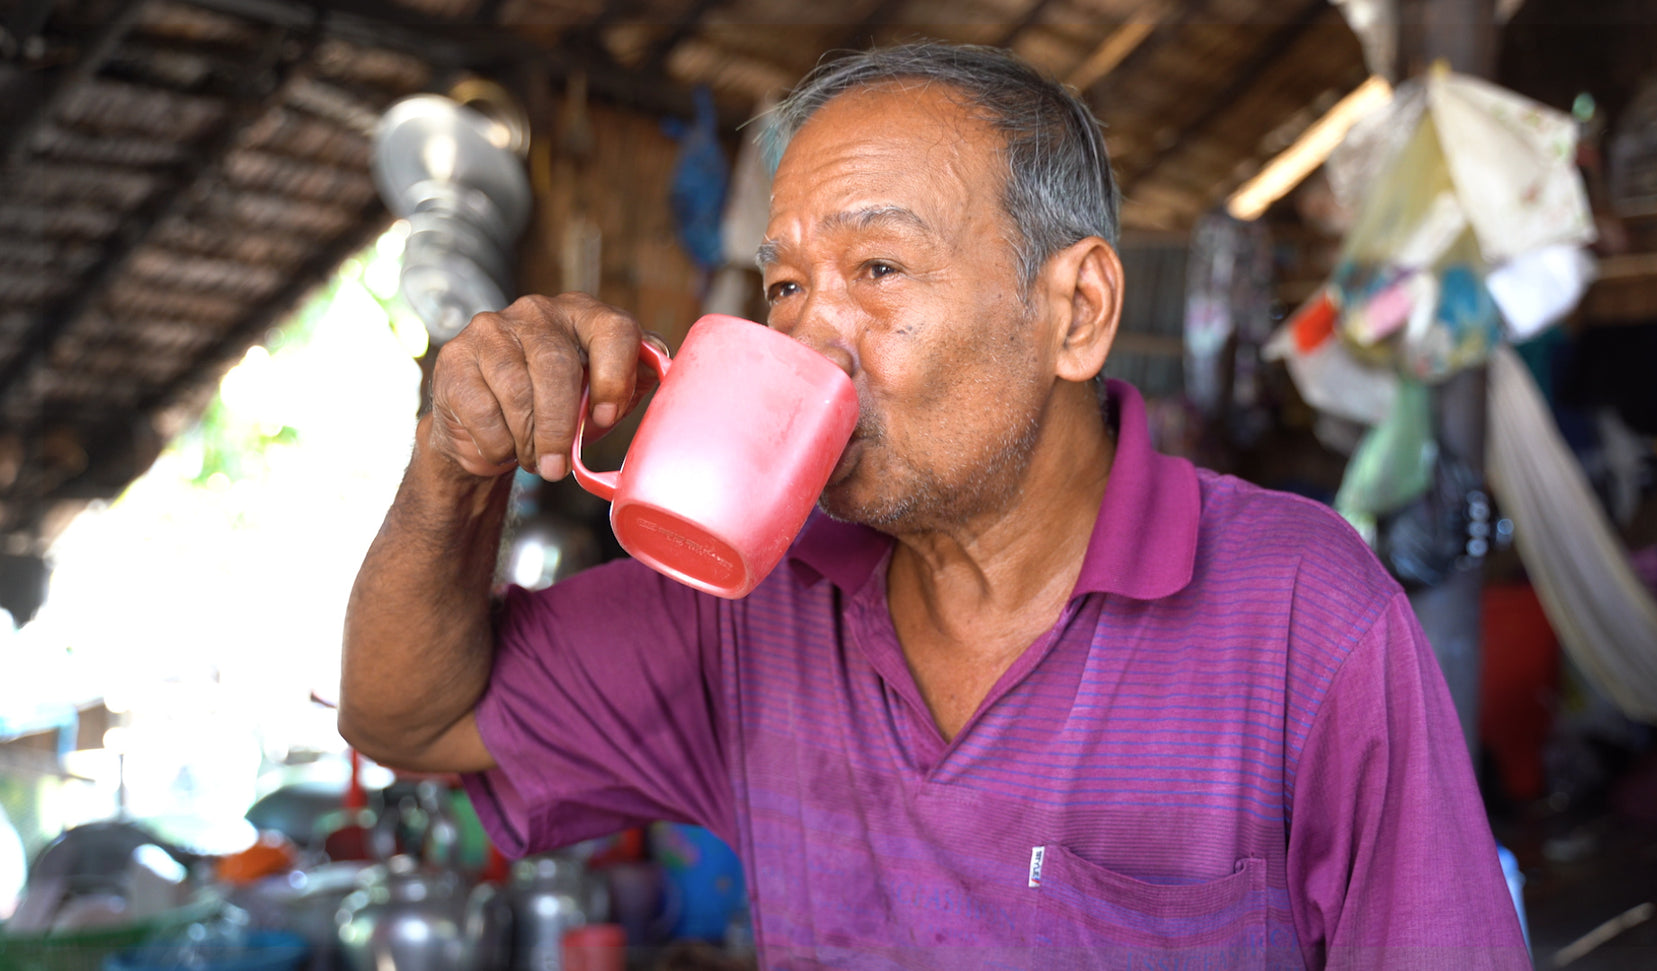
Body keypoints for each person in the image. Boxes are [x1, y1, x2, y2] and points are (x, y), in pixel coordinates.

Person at [341, 43, 1530, 969]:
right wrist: (456, 464)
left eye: (877, 270)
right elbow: (408, 719)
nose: (809, 333)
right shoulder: (752, 605)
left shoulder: (1300, 611)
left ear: (1074, 312)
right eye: (789, 284)